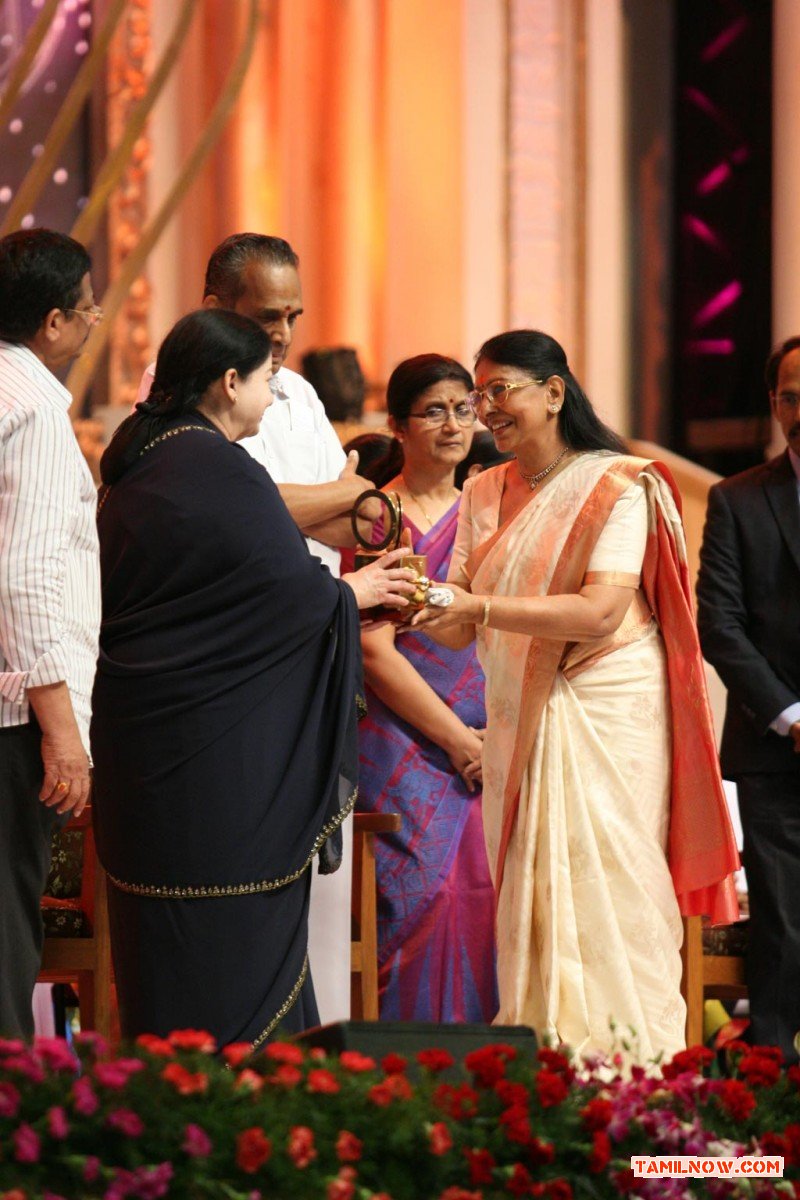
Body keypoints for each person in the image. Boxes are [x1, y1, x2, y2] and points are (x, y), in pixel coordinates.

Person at [413, 329, 740, 1061]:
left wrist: (474, 610)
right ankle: (550, 1074)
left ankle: (635, 1082)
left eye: (501, 392)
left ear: (554, 393)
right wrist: (417, 598)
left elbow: (599, 611)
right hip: (519, 717)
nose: (486, 411)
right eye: (478, 396)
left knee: (614, 890)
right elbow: (460, 623)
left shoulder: (620, 485)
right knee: (533, 900)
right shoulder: (483, 489)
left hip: (606, 709)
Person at [92, 309, 416, 1046]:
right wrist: (351, 597)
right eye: (268, 381)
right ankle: (241, 1139)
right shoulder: (219, 470)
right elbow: (279, 595)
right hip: (218, 781)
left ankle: (165, 1134)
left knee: (165, 974)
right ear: (229, 381)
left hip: (147, 765)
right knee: (231, 974)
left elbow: (222, 603)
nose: (273, 399)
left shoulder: (144, 458)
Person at [137, 233, 378, 1023]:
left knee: (309, 905)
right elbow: (251, 508)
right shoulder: (177, 399)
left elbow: (322, 523)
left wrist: (353, 519)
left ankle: (313, 1087)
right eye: (265, 316)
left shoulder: (297, 395)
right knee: (236, 908)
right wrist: (347, 497)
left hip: (307, 658)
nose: (282, 333)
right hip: (230, 680)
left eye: (293, 316)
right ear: (216, 314)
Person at [356, 355, 498, 1022]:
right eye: (435, 410)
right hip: (404, 742)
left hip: (493, 741)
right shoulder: (377, 515)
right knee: (425, 904)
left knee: (491, 902)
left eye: (464, 409)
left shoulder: (493, 512)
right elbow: (372, 648)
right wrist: (459, 743)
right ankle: (407, 1092)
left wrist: (489, 741)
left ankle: (488, 1092)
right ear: (397, 425)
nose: (453, 424)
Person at [0, 228, 101, 1037]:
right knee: (5, 932)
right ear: (54, 322)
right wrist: (62, 733)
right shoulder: (31, 410)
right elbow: (27, 578)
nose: (97, 321)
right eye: (89, 306)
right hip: (13, 716)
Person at [697, 336, 800, 1060]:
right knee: (786, 927)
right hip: (777, 753)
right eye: (793, 394)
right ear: (774, 403)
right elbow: (720, 625)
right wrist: (791, 714)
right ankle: (774, 1088)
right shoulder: (737, 500)